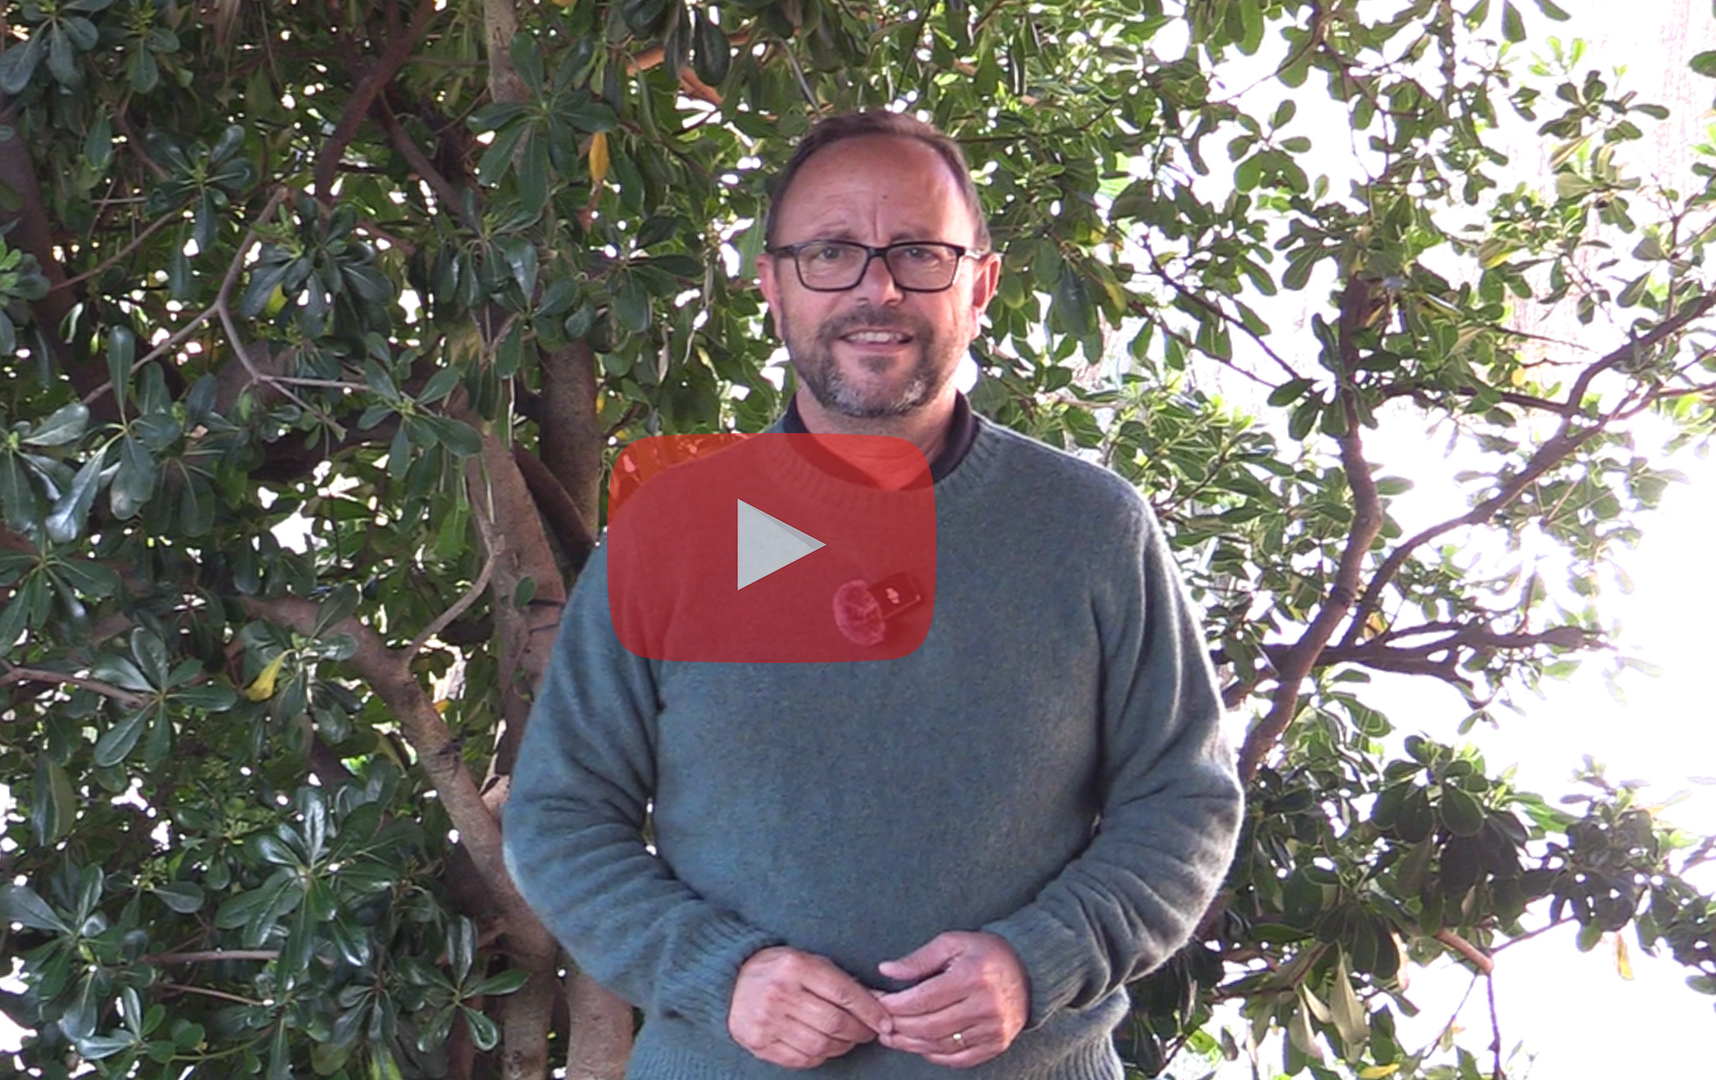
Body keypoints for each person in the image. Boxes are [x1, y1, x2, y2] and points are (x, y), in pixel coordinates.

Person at [502, 109, 1244, 1078]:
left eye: (920, 253)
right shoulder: (669, 534)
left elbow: (1183, 800)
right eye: (831, 253)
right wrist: (720, 972)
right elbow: (559, 816)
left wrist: (1038, 962)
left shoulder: (1093, 529)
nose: (876, 288)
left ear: (979, 285)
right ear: (774, 288)